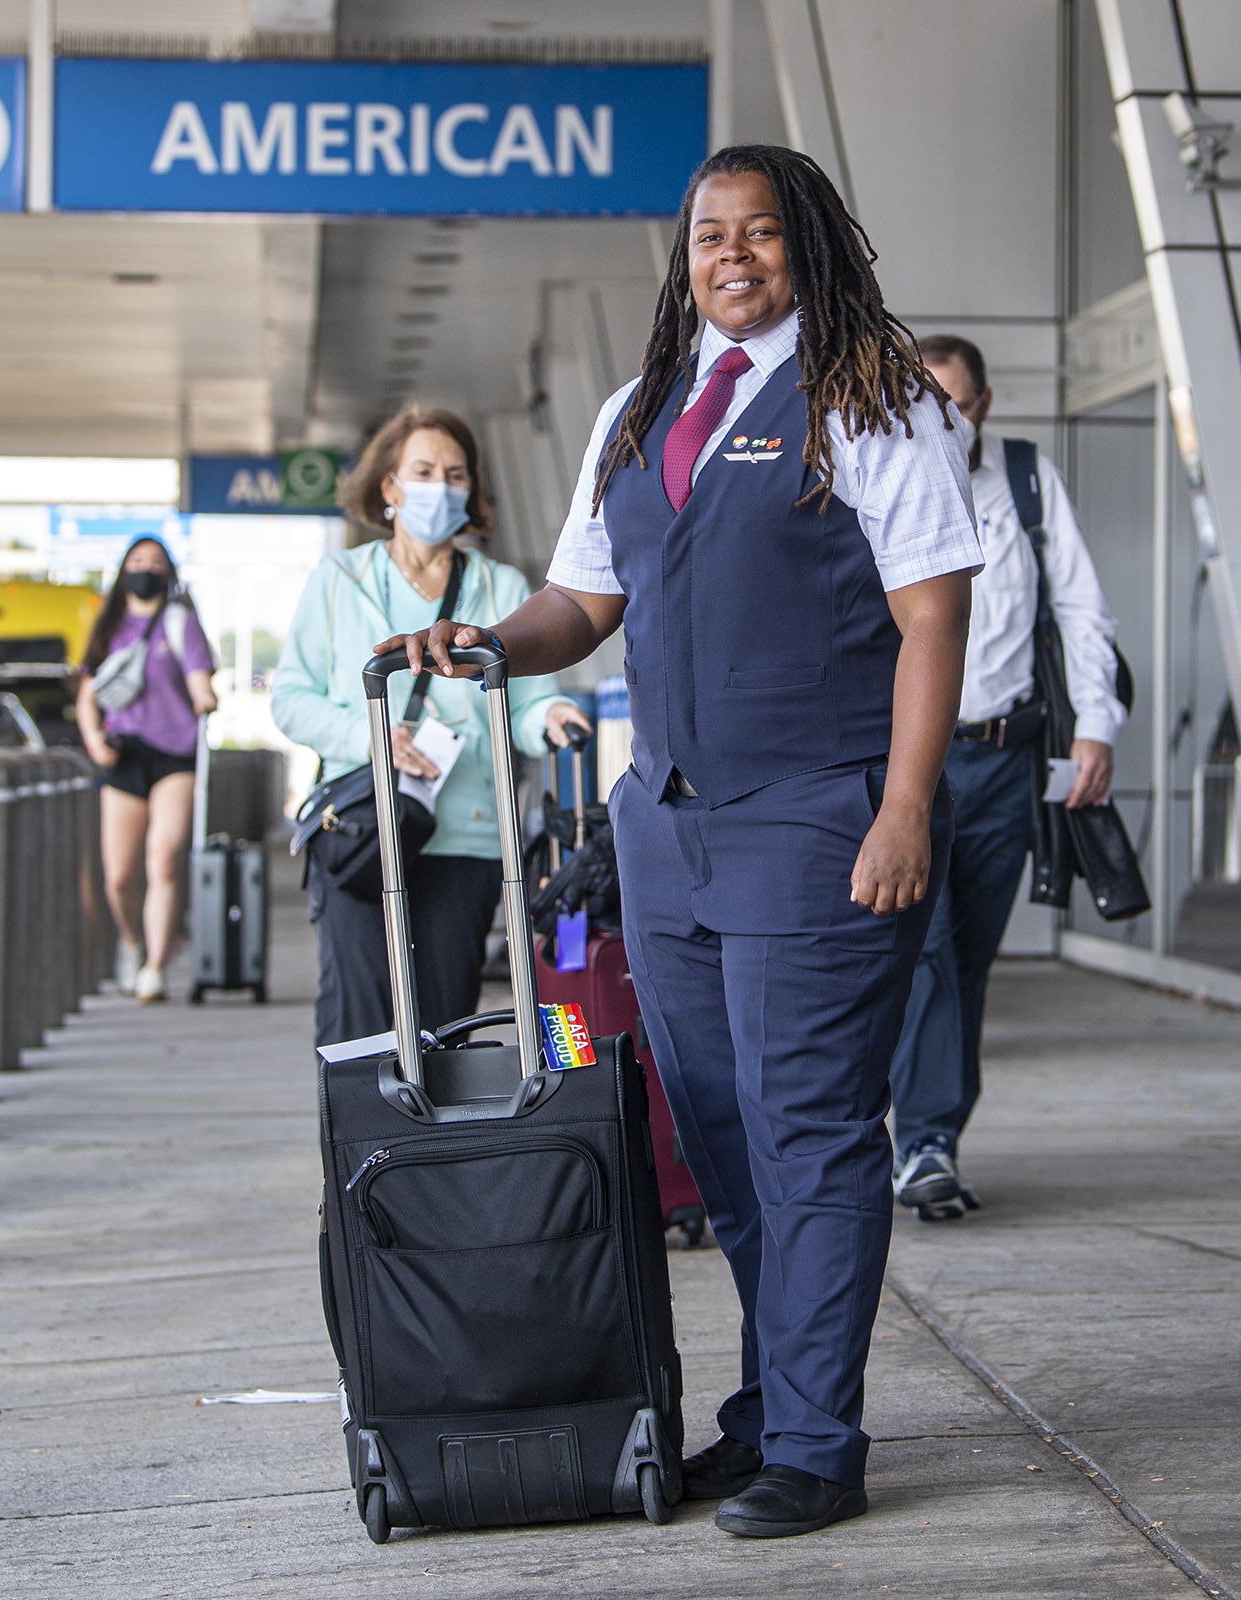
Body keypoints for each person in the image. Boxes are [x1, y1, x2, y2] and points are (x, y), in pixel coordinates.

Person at [384, 145, 981, 1539]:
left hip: (820, 819)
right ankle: (774, 1414)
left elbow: (933, 622)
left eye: (764, 234)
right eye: (712, 234)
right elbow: (578, 604)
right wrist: (486, 643)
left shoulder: (871, 402)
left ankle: (821, 1449)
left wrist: (904, 808)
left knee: (813, 1135)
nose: (735, 257)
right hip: (668, 830)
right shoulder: (639, 409)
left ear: (810, 245)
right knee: (715, 1141)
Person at [885, 334, 1126, 1222]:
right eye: (926, 399)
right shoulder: (883, 474)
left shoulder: (1025, 478)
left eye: (957, 401)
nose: (942, 417)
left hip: (1002, 758)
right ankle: (925, 1141)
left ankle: (923, 1125)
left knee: (968, 955)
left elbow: (1080, 605)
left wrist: (1096, 726)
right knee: (925, 949)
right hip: (910, 756)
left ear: (982, 405)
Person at [272, 404, 589, 1047]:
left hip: (465, 836)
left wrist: (551, 716)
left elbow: (528, 702)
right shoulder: (341, 581)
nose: (440, 487)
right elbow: (291, 698)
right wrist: (372, 738)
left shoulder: (499, 585)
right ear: (389, 487)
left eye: (454, 474)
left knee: (445, 1027)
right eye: (423, 471)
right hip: (365, 828)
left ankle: (435, 1152)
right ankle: (364, 1152)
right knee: (357, 1030)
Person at [74, 536, 220, 1003]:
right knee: (118, 874)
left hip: (174, 752)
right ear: (123, 571)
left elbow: (200, 678)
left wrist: (205, 698)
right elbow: (87, 695)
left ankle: (155, 967)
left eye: (155, 563)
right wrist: (95, 741)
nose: (146, 569)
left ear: (168, 573)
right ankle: (132, 942)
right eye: (137, 562)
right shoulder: (108, 625)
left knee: (164, 857)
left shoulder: (181, 623)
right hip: (124, 753)